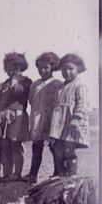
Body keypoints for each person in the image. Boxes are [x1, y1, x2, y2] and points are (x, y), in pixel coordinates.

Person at [0, 52, 32, 182]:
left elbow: (17, 91)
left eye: (15, 67)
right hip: (3, 116)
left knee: (15, 145)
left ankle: (17, 173)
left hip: (16, 115)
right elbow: (0, 100)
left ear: (21, 67)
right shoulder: (4, 84)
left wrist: (14, 80)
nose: (11, 70)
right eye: (8, 67)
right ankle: (7, 173)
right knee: (5, 146)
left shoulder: (26, 82)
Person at [48, 53, 90, 178]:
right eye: (64, 69)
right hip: (59, 124)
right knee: (58, 150)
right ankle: (61, 175)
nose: (67, 72)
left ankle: (72, 175)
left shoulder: (80, 86)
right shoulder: (60, 87)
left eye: (71, 69)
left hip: (71, 123)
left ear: (79, 69)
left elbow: (82, 103)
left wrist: (76, 119)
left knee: (68, 150)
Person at [25, 52, 64, 183]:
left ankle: (58, 172)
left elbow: (58, 102)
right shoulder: (34, 84)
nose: (43, 70)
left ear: (53, 67)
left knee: (54, 146)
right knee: (36, 146)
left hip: (51, 119)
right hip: (37, 118)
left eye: (46, 67)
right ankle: (33, 174)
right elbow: (31, 100)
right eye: (40, 68)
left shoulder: (57, 84)